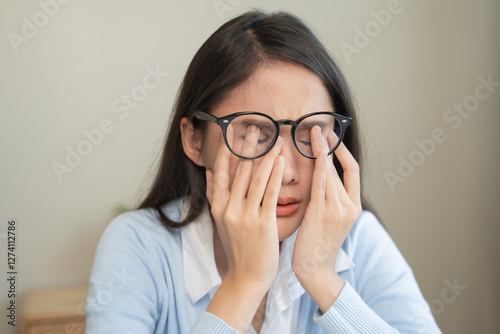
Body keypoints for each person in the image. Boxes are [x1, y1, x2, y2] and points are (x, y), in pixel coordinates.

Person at [85, 10, 441, 334]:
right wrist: (245, 282)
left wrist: (320, 276)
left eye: (310, 132)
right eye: (253, 133)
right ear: (194, 140)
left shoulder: (359, 239)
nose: (286, 173)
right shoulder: (137, 245)